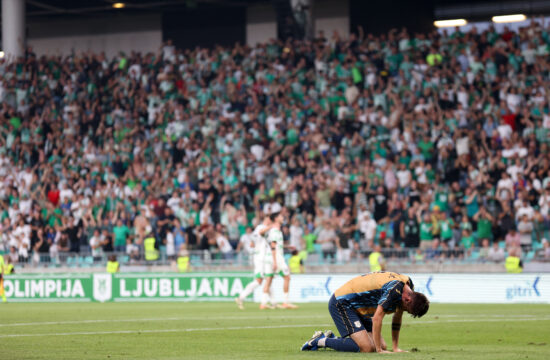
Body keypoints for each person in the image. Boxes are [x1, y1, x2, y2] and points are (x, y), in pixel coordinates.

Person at [301, 271, 429, 353]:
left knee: (383, 345)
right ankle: (320, 340)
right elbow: (377, 318)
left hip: (360, 309)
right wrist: (378, 351)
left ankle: (333, 339)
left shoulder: (408, 286)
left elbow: (397, 316)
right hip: (342, 303)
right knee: (367, 348)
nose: (403, 311)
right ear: (407, 299)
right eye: (407, 309)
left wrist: (395, 348)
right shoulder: (393, 290)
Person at [261, 203, 298, 309]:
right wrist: (275, 262)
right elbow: (273, 246)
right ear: (276, 219)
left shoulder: (275, 231)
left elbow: (276, 245)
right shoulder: (275, 231)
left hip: (271, 257)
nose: (283, 218)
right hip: (276, 257)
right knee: (287, 277)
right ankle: (285, 302)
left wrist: (287, 246)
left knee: (269, 279)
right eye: (281, 216)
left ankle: (263, 303)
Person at [235, 207, 272, 310]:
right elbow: (255, 235)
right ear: (267, 219)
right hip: (260, 258)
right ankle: (241, 297)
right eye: (270, 219)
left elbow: (254, 237)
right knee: (260, 281)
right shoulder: (261, 227)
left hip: (263, 257)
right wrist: (252, 242)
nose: (271, 221)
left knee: (268, 278)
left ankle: (269, 302)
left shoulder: (266, 228)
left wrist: (253, 242)